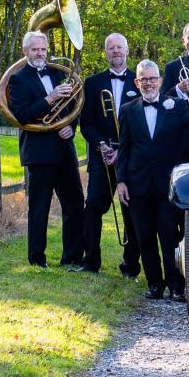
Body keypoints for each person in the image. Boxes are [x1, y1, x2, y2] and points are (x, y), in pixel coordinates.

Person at [116, 60, 189, 301]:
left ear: (160, 81)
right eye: (144, 79)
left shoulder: (178, 106)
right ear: (137, 82)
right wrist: (121, 182)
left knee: (169, 234)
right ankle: (154, 285)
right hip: (137, 183)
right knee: (144, 235)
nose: (148, 83)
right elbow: (125, 148)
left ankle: (176, 285)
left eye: (153, 78)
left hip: (169, 183)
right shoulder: (128, 110)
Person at [6, 31, 84, 268]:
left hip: (64, 148)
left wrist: (70, 126)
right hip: (39, 152)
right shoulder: (18, 79)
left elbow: (73, 106)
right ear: (25, 52)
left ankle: (71, 257)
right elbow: (21, 115)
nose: (40, 53)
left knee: (74, 203)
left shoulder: (58, 73)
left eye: (43, 49)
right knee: (40, 206)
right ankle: (37, 259)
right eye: (35, 49)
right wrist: (50, 99)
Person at [75, 33, 142, 276]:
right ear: (106, 52)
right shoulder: (92, 83)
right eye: (111, 48)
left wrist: (121, 151)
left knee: (131, 211)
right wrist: (102, 145)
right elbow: (87, 122)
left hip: (130, 157)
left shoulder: (139, 81)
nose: (116, 51)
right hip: (102, 156)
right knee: (92, 205)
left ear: (127, 51)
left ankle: (131, 266)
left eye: (119, 47)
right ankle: (91, 261)